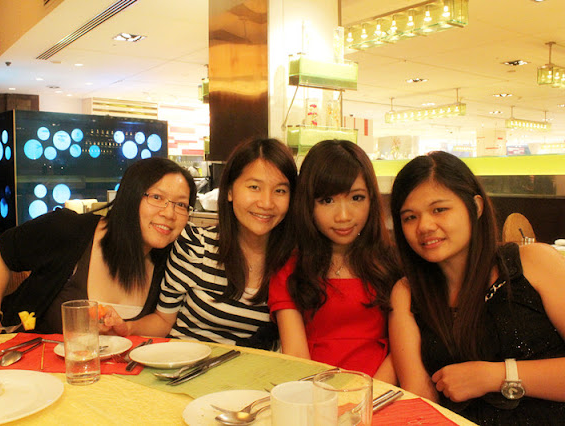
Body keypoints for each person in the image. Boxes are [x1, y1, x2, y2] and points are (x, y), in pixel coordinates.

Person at [389, 151, 565, 425]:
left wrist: (495, 376)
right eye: (410, 217)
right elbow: (420, 400)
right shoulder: (407, 293)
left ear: (476, 207)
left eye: (439, 209)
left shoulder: (533, 263)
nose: (424, 226)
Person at [0, 157, 196, 343]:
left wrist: (128, 328)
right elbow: (1, 251)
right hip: (28, 365)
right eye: (157, 197)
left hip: (108, 381)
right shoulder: (69, 230)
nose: (169, 213)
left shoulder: (174, 260)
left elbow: (161, 321)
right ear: (130, 197)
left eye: (181, 204)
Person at [113, 138, 297, 350]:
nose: (266, 203)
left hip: (252, 369)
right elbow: (163, 321)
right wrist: (127, 328)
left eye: (280, 191)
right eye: (254, 187)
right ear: (229, 190)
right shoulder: (194, 245)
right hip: (184, 362)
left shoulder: (294, 262)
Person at [268, 140, 400, 382]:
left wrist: (368, 395)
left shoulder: (393, 265)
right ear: (308, 204)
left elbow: (401, 351)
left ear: (372, 199)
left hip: (382, 391)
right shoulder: (290, 270)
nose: (343, 216)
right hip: (313, 390)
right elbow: (296, 356)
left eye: (356, 198)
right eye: (327, 201)